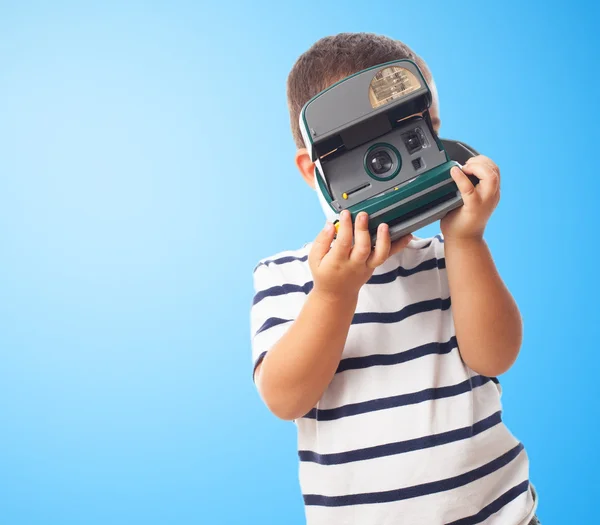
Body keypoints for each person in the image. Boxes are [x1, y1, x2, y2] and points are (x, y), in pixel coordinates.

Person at [250, 32, 539, 525]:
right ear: (312, 169)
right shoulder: (285, 277)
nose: (387, 165)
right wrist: (334, 292)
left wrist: (468, 241)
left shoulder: (452, 261)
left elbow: (498, 356)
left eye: (408, 139)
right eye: (362, 150)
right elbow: (284, 397)